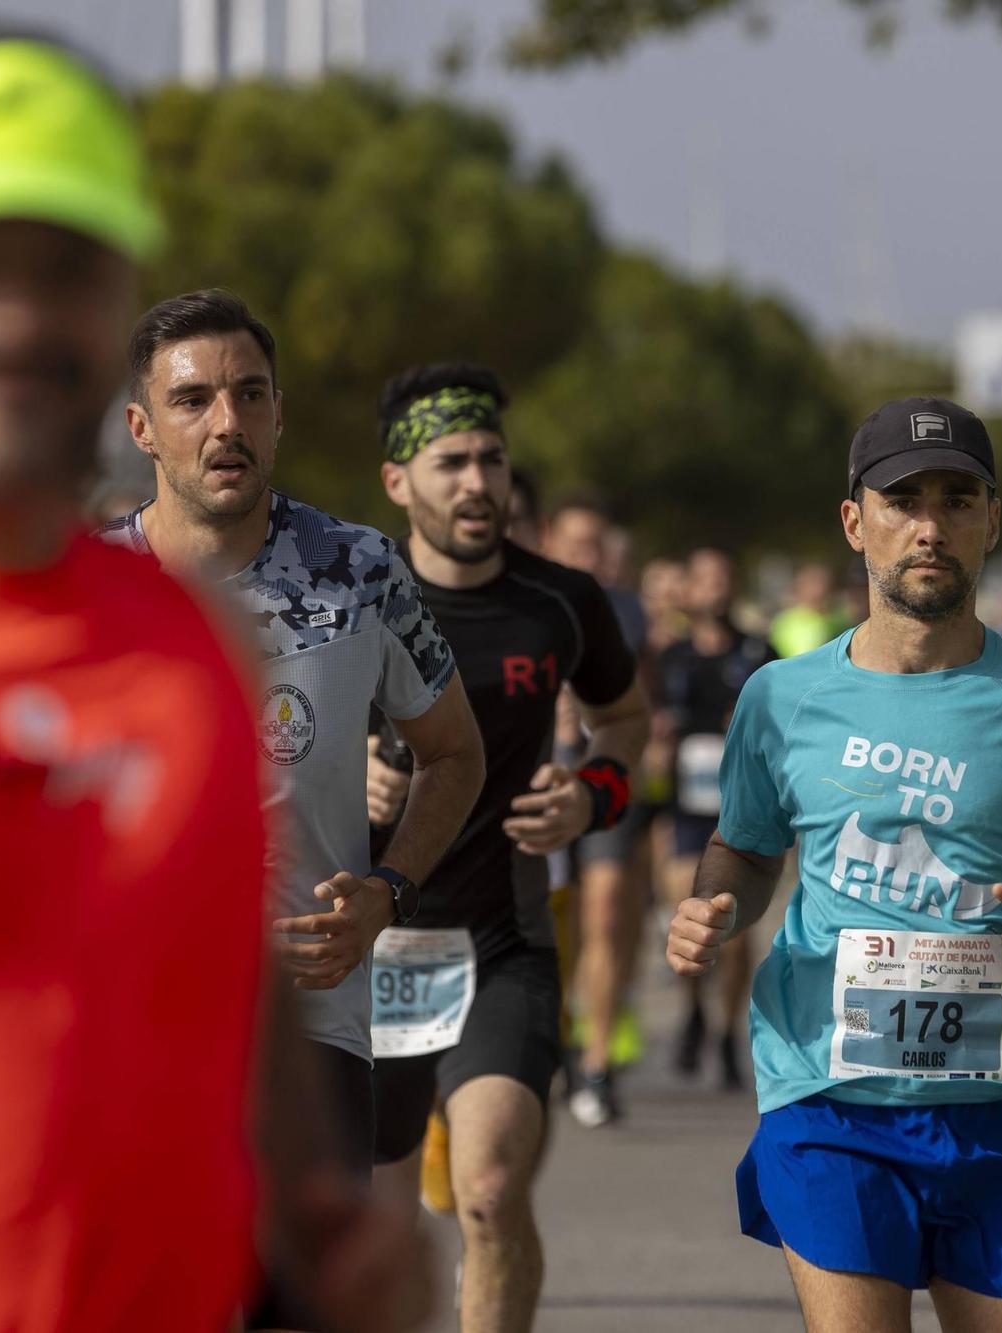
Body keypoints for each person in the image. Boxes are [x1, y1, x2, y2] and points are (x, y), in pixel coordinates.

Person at [0, 22, 409, 1331]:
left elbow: (217, 983)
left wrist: (323, 1216)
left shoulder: (178, 639)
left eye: (68, 265)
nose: (19, 317)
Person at [665, 396, 1002, 1332]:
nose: (929, 525)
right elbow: (745, 849)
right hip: (830, 1098)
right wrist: (713, 904)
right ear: (854, 523)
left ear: (991, 521)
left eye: (957, 499)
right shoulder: (781, 698)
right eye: (902, 498)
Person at [104, 293, 484, 1218]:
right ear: (143, 428)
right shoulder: (83, 586)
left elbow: (455, 754)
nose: (227, 423)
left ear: (279, 414)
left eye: (250, 395)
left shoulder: (356, 568)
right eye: (194, 401)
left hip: (308, 1029)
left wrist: (387, 894)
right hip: (130, 1038)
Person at [363, 363, 648, 1332]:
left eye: (490, 459)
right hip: (356, 953)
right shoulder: (344, 597)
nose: (477, 482)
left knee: (487, 1189)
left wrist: (590, 796)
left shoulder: (560, 600)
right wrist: (345, 773)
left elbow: (623, 719)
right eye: (449, 463)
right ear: (398, 481)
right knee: (369, 1220)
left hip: (497, 944)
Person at [544, 496, 655, 1126]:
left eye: (596, 544)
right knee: (557, 919)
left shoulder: (625, 607)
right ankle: (555, 1040)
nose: (588, 556)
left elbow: (632, 687)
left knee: (608, 912)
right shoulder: (527, 598)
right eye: (575, 544)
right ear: (551, 541)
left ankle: (597, 1063)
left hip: (608, 775)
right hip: (546, 771)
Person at [654, 546, 776, 1086]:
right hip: (684, 803)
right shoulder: (670, 656)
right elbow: (649, 728)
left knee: (735, 924)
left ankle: (728, 1033)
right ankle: (693, 1009)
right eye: (704, 579)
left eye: (724, 578)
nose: (716, 589)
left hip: (741, 803)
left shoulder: (758, 652)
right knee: (687, 909)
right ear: (688, 591)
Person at [770, 560, 848, 658]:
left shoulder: (840, 621)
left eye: (822, 583)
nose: (818, 590)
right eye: (812, 583)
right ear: (800, 587)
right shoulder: (785, 622)